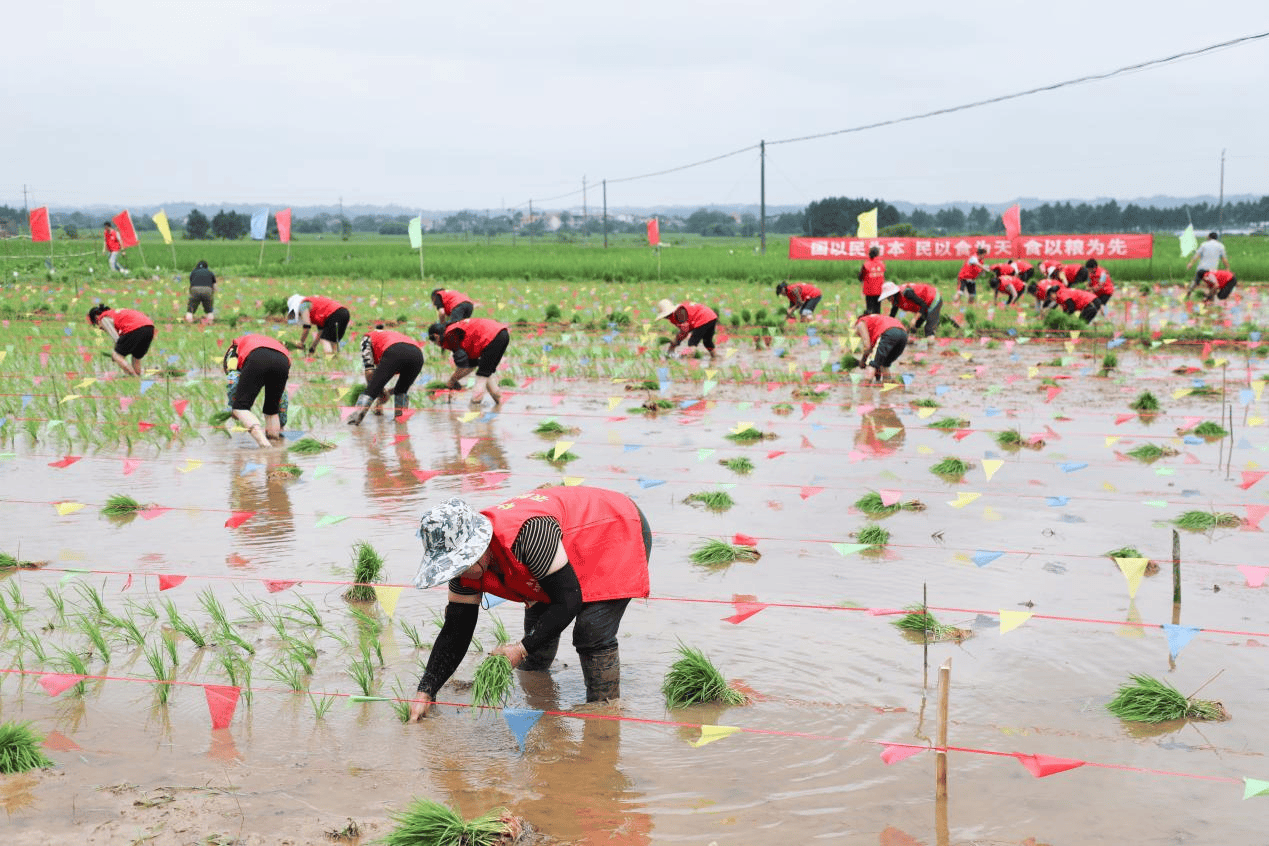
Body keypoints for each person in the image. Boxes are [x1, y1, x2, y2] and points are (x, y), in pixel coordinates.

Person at [407, 485, 653, 719]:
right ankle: (539, 690)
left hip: (613, 528)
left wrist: (520, 649)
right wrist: (426, 690)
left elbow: (568, 601)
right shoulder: (466, 572)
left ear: (479, 546)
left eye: (460, 564)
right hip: (563, 551)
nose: (457, 574)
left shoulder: (529, 535)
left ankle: (603, 711)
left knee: (592, 630)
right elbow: (456, 630)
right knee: (538, 617)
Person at [222, 333, 291, 448]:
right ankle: (276, 448)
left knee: (240, 408)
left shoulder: (235, 347)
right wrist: (282, 424)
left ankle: (264, 444)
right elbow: (282, 399)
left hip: (257, 357)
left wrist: (234, 406)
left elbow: (232, 378)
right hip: (283, 360)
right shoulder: (271, 341)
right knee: (272, 410)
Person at [348, 324, 425, 424]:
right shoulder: (392, 334)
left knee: (371, 390)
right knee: (401, 390)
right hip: (417, 355)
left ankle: (354, 421)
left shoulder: (366, 338)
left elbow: (370, 371)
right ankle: (401, 425)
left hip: (395, 351)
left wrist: (378, 392)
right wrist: (383, 395)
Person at [427, 317, 509, 406]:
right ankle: (499, 402)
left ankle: (475, 403)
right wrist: (454, 379)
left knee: (482, 375)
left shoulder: (450, 335)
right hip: (500, 333)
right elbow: (470, 365)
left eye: (434, 341)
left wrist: (452, 380)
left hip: (492, 336)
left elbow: (463, 365)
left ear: (436, 336)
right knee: (485, 372)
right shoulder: (454, 332)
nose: (437, 345)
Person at [87, 304, 154, 376]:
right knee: (136, 357)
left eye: (97, 324)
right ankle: (138, 376)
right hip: (149, 327)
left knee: (116, 356)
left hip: (135, 328)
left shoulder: (103, 318)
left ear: (96, 317)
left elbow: (116, 339)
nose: (100, 327)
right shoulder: (115, 313)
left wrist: (117, 355)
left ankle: (134, 377)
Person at [853, 312, 908, 382]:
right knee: (884, 363)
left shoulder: (861, 323)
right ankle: (887, 382)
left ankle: (866, 384)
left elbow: (867, 347)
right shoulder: (876, 320)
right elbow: (876, 354)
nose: (858, 335)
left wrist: (863, 361)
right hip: (903, 335)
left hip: (889, 332)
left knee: (872, 363)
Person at [186, 260, 217, 324]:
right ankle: (210, 321)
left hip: (195, 289)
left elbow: (191, 283)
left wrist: (191, 293)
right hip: (207, 290)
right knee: (209, 309)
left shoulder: (193, 272)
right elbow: (215, 286)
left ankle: (188, 322)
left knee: (191, 307)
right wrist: (211, 295)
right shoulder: (210, 272)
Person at [858, 246, 886, 314]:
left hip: (869, 291)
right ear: (878, 254)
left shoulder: (866, 264)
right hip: (879, 290)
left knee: (870, 309)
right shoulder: (882, 264)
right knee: (877, 308)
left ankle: (870, 323)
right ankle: (878, 323)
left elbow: (861, 276)